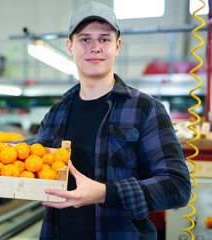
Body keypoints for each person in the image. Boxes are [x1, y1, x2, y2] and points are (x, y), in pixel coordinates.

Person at [36, 2, 191, 239]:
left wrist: (105, 193)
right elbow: (33, 174)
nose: (95, 47)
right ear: (70, 46)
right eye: (85, 39)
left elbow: (177, 187)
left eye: (105, 39)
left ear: (117, 46)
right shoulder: (54, 115)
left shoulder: (146, 110)